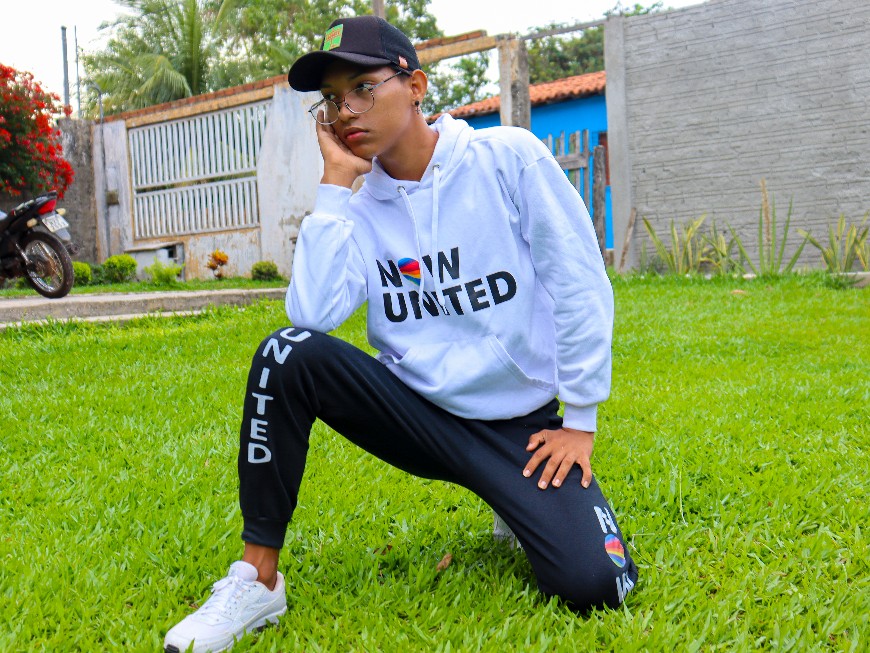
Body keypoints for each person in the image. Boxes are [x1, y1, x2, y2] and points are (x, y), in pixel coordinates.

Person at [164, 15, 638, 653]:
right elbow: (311, 316)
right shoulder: (357, 211)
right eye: (333, 99)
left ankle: (512, 502)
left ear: (414, 85)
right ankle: (257, 579)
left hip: (517, 429)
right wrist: (336, 185)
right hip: (416, 415)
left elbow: (579, 284)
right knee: (286, 354)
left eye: (362, 88)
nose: (345, 112)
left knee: (598, 586)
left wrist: (579, 421)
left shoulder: (507, 159)